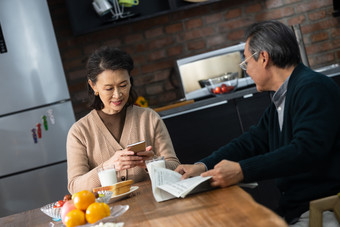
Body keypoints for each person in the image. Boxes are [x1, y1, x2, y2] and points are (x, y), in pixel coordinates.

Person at [175, 20, 340, 226]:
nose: (247, 70)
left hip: (324, 209)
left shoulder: (312, 88)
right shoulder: (283, 97)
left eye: (246, 62)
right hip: (297, 209)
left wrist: (242, 170)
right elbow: (251, 142)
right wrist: (202, 165)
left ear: (263, 58)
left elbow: (305, 150)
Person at [67, 46, 180, 194]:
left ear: (130, 81)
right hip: (107, 214)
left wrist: (152, 163)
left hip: (154, 205)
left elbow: (176, 167)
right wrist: (108, 167)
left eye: (123, 85)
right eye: (109, 88)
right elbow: (75, 187)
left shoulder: (149, 118)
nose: (118, 94)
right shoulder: (79, 132)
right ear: (93, 86)